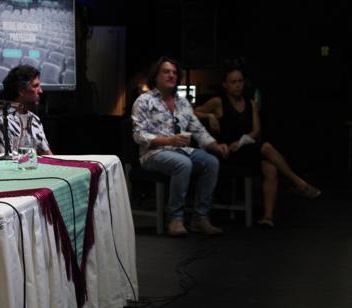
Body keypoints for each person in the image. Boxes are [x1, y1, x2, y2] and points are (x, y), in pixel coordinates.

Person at [194, 66, 321, 228]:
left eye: (240, 81)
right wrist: (210, 115)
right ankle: (298, 182)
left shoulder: (251, 103)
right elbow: (193, 112)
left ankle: (267, 217)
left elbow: (256, 132)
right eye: (233, 82)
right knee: (266, 148)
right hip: (226, 151)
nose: (238, 85)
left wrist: (240, 143)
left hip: (245, 147)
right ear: (225, 84)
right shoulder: (218, 102)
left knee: (270, 165)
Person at [131, 56, 229, 236]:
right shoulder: (144, 101)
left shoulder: (183, 103)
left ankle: (200, 218)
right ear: (156, 76)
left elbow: (198, 129)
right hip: (153, 153)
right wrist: (168, 140)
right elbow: (139, 135)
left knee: (211, 162)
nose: (171, 75)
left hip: (182, 150)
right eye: (166, 72)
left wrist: (215, 145)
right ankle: (175, 219)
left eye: (174, 73)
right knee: (183, 164)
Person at [0, 64, 53, 155]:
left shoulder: (35, 120)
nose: (41, 91)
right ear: (21, 91)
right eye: (36, 86)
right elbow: (3, 163)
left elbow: (48, 156)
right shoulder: (1, 121)